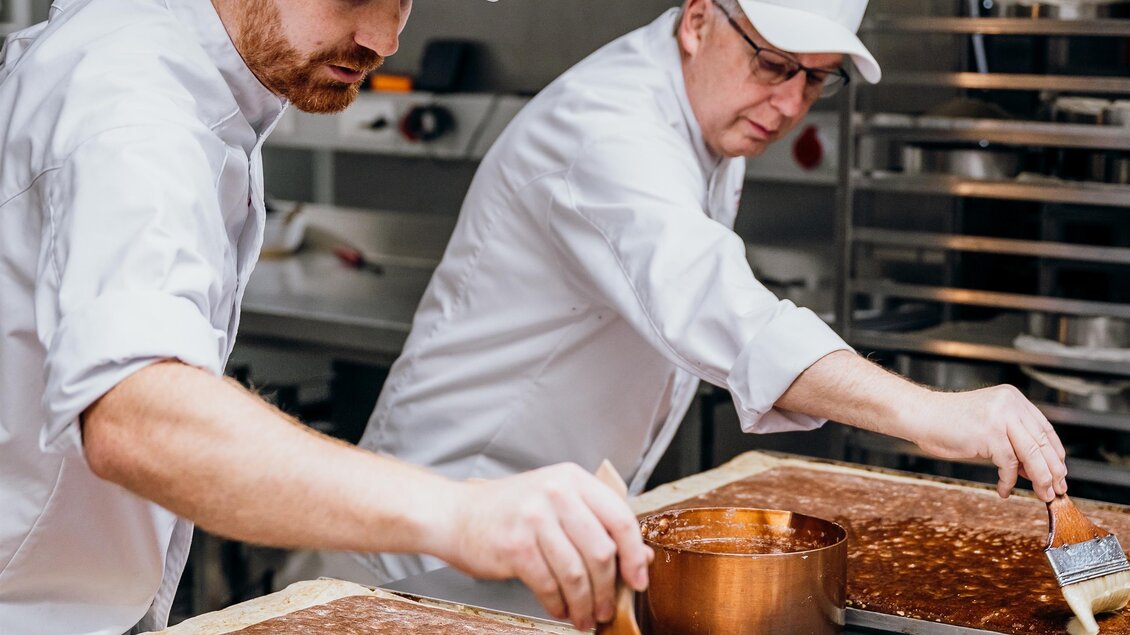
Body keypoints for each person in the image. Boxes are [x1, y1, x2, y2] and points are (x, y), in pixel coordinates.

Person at [350, 0, 1070, 584]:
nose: (790, 104)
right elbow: (725, 312)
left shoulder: (706, 102)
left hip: (548, 527)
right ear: (699, 20)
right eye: (773, 64)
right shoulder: (606, 131)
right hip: (434, 540)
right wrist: (931, 412)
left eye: (816, 79)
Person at [0, 1, 652, 633]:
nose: (385, 38)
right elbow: (138, 418)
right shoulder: (131, 101)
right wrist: (461, 513)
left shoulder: (197, 77)